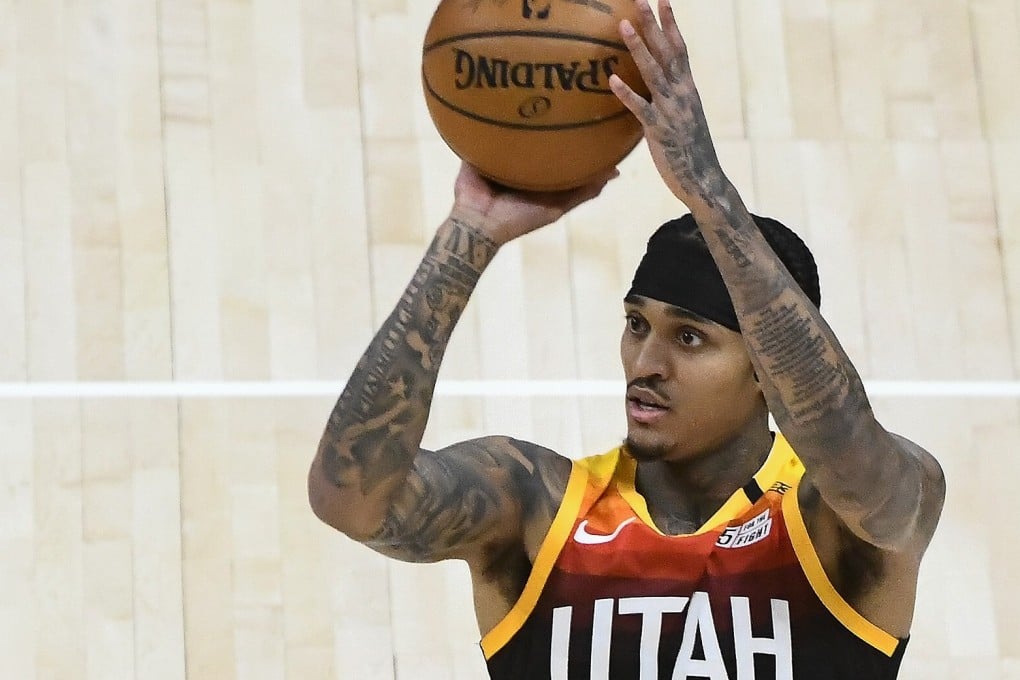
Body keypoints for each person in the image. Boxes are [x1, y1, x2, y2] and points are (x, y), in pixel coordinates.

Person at [307, 0, 945, 677]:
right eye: (637, 325)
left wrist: (710, 195)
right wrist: (469, 233)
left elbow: (861, 477)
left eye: (690, 338)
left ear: (767, 368)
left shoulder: (838, 519)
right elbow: (349, 497)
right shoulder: (537, 508)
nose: (646, 362)